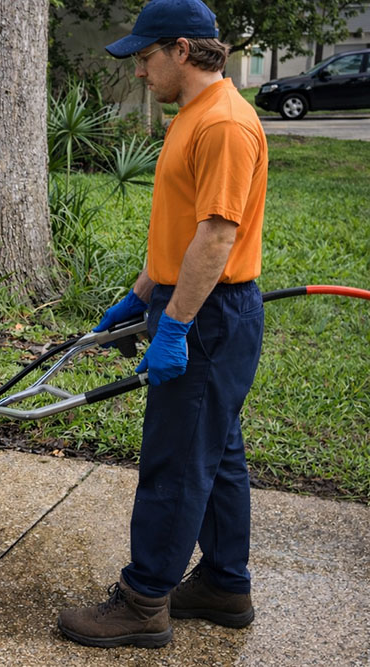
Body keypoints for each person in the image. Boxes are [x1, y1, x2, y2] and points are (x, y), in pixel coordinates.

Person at [56, 0, 268, 649]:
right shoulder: (192, 116)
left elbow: (217, 237)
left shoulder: (224, 123)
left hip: (206, 314)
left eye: (146, 58)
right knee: (217, 454)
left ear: (181, 49)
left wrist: (174, 326)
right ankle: (225, 586)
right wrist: (140, 295)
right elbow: (182, 231)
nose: (140, 72)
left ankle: (145, 601)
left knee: (176, 461)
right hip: (191, 304)